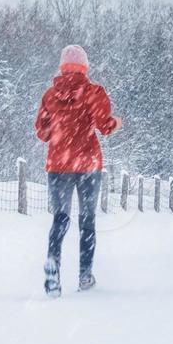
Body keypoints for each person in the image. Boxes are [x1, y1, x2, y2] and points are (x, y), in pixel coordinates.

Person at [35, 44, 121, 298]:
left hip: (59, 164)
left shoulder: (50, 96)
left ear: (62, 67)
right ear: (85, 67)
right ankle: (85, 275)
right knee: (87, 220)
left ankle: (53, 271)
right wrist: (116, 123)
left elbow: (42, 132)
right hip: (87, 164)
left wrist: (61, 129)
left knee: (60, 219)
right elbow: (105, 126)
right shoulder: (94, 92)